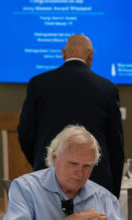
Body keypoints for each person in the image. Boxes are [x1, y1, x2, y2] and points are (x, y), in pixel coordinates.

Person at [17, 34, 125, 197]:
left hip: (49, 176)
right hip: (95, 180)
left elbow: (25, 133)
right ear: (91, 56)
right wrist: (113, 192)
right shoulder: (107, 89)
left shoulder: (38, 84)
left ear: (63, 53)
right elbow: (116, 145)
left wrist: (46, 161)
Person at [4, 125, 129, 220]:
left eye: (87, 166)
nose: (80, 173)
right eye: (73, 164)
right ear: (54, 158)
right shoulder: (26, 188)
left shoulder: (105, 198)